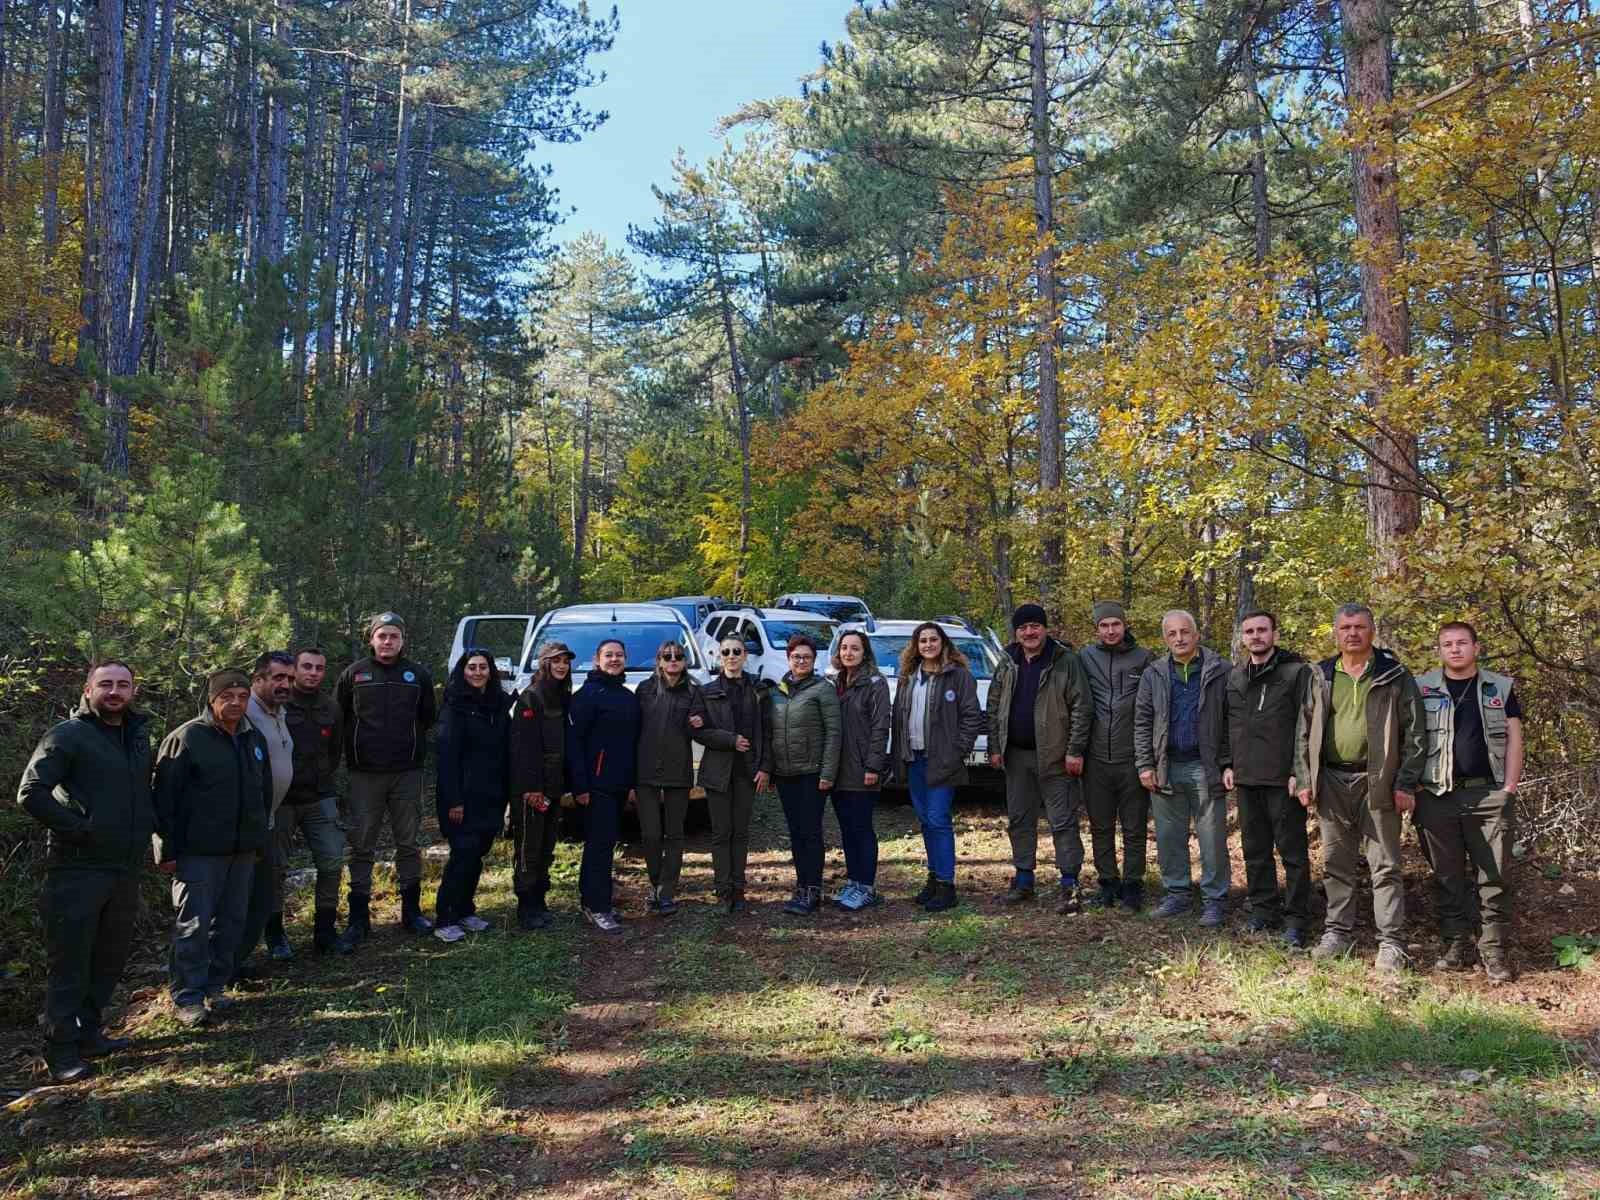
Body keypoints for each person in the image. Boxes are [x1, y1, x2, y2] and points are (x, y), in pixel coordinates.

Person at [16, 661, 155, 1083]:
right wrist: (80, 828)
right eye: (106, 684)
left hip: (124, 867)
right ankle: (60, 1051)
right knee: (71, 961)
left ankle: (90, 1033)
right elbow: (31, 792)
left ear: (133, 690)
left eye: (123, 685)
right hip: (76, 868)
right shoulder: (68, 736)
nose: (114, 692)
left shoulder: (135, 736)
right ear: (88, 689)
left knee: (109, 958)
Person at [1298, 603, 1425, 975]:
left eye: (1359, 627)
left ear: (1372, 631)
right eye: (1345, 627)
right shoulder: (1320, 674)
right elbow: (1302, 731)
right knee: (1336, 863)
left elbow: (1416, 733)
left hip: (1379, 782)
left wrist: (1405, 782)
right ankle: (1337, 932)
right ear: (1335, 633)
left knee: (1385, 865)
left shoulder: (1394, 675)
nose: (1352, 633)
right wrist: (1305, 778)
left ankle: (1391, 943)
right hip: (1332, 781)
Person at [153, 670, 274, 1027]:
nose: (235, 703)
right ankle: (187, 997)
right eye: (227, 696)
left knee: (232, 922)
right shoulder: (187, 738)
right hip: (198, 852)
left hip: (242, 851)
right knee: (194, 924)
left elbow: (263, 793)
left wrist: (258, 839)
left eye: (241, 696)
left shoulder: (253, 738)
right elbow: (164, 801)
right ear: (211, 699)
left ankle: (215, 986)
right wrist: (166, 850)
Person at [1415, 622, 1524, 983]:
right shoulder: (1422, 687)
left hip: (1488, 794)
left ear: (1476, 647)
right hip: (1436, 795)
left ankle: (1493, 950)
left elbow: (1514, 738)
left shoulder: (1500, 687)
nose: (1455, 649)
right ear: (1440, 650)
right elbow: (1409, 740)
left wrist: (1508, 787)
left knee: (1494, 876)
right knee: (1447, 876)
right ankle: (1456, 944)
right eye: (1447, 644)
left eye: (1462, 642)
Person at [335, 611, 438, 951]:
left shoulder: (417, 675)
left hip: (406, 772)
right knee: (363, 844)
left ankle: (411, 911)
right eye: (382, 636)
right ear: (372, 639)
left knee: (408, 842)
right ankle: (358, 918)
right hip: (365, 774)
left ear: (402, 640)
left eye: (394, 635)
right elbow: (341, 718)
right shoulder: (354, 674)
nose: (388, 641)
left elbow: (427, 718)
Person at [987, 604, 1091, 913]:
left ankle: (1070, 882)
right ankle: (1023, 879)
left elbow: (1082, 708)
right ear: (1016, 633)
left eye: (1034, 626)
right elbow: (993, 707)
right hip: (1016, 757)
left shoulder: (1065, 662)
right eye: (1023, 628)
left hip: (1057, 757)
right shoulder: (1007, 663)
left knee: (1063, 821)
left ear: (1045, 628)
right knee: (1019, 819)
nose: (1029, 633)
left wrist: (1075, 750)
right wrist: (995, 746)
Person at [1223, 611, 1317, 949]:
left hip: (1283, 781)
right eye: (1249, 631)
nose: (1256, 636)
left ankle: (1296, 919)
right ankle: (1263, 910)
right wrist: (1227, 764)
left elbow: (1306, 726)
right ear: (1243, 637)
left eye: (1262, 630)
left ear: (1274, 633)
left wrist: (1299, 770)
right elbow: (1226, 725)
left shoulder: (1295, 673)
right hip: (1246, 779)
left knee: (1292, 853)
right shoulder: (1235, 677)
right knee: (1255, 851)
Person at [1135, 610, 1233, 926]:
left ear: (1196, 634)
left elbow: (1233, 721)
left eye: (1185, 632)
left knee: (1212, 838)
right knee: (1168, 836)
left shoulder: (1220, 671)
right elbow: (1143, 721)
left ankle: (1215, 900)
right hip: (1166, 766)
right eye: (1172, 634)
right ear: (1165, 639)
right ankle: (1177, 894)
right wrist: (1145, 764)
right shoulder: (1155, 673)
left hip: (1206, 767)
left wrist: (1228, 763)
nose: (1179, 638)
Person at [891, 622, 985, 913]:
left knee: (938, 818)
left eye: (933, 640)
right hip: (914, 759)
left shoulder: (958, 677)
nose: (928, 645)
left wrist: (957, 752)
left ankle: (947, 885)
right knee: (925, 820)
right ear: (916, 646)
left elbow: (972, 717)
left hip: (942, 761)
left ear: (943, 644)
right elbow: (898, 718)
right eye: (923, 640)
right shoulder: (909, 677)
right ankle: (933, 878)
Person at [1078, 602, 1154, 911]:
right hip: (1096, 758)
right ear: (1096, 628)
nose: (1110, 631)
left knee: (1135, 826)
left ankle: (1133, 884)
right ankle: (1107, 882)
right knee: (1101, 825)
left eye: (1115, 625)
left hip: (1132, 757)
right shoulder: (1085, 658)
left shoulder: (1144, 658)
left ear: (1124, 626)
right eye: (1104, 625)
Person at [432, 650, 511, 943]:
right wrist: (454, 800)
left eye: (483, 667)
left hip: (491, 794)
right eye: (472, 667)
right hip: (461, 797)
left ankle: (466, 910)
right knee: (462, 855)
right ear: (462, 672)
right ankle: (445, 917)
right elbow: (447, 758)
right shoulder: (454, 707)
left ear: (491, 671)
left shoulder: (499, 704)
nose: (478, 672)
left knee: (477, 855)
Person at [566, 638, 641, 933]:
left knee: (607, 843)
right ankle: (595, 906)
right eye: (608, 655)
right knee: (598, 846)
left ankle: (599, 901)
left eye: (619, 655)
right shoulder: (586, 696)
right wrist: (580, 786)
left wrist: (633, 782)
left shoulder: (627, 695)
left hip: (620, 783)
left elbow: (632, 743)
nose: (614, 659)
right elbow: (574, 744)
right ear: (597, 660)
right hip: (596, 785)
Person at [695, 635, 772, 913]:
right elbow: (698, 730)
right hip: (718, 772)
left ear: (745, 655)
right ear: (719, 656)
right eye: (725, 651)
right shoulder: (706, 691)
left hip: (748, 772)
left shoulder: (759, 690)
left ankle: (739, 890)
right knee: (721, 833)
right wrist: (730, 740)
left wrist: (765, 767)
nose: (731, 656)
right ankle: (723, 892)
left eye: (736, 651)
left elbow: (767, 731)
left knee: (740, 833)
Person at [768, 634, 843, 916]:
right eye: (796, 656)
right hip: (786, 774)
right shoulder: (778, 690)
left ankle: (813, 888)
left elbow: (834, 733)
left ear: (814, 661)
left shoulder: (823, 690)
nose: (801, 661)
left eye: (807, 657)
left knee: (810, 832)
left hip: (812, 774)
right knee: (796, 832)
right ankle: (802, 885)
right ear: (788, 658)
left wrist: (828, 772)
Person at [279, 647, 347, 954]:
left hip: (320, 796)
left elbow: (335, 752)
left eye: (319, 668)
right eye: (307, 667)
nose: (313, 673)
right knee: (274, 869)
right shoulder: (277, 703)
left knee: (332, 862)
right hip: (282, 799)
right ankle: (275, 934)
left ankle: (325, 931)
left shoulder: (331, 707)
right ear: (295, 669)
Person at [634, 640, 707, 916]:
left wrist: (699, 722)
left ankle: (667, 891)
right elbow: (632, 729)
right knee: (651, 834)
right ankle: (654, 884)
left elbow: (700, 726)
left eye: (678, 656)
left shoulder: (693, 691)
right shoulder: (645, 689)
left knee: (674, 834)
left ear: (685, 661)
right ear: (659, 661)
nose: (673, 660)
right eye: (667, 656)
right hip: (645, 771)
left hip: (678, 771)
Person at [509, 641, 574, 930]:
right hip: (531, 788)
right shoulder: (530, 698)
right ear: (544, 663)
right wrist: (532, 788)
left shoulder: (561, 696)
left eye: (565, 661)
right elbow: (525, 749)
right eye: (556, 661)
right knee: (529, 848)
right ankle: (525, 906)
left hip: (553, 785)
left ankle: (539, 900)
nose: (561, 666)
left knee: (547, 846)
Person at [237, 651, 296, 971]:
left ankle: (234, 960)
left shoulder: (280, 711)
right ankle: (218, 966)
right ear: (257, 679)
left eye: (289, 678)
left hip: (269, 818)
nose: (285, 683)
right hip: (243, 822)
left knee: (262, 890)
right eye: (278, 678)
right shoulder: (243, 712)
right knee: (237, 895)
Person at [830, 629, 892, 911]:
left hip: (863, 769)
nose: (848, 653)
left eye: (855, 648)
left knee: (862, 829)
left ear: (864, 652)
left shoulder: (875, 684)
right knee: (847, 830)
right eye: (844, 648)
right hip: (838, 771)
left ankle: (866, 887)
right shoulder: (836, 683)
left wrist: (873, 766)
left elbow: (881, 727)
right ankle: (854, 882)